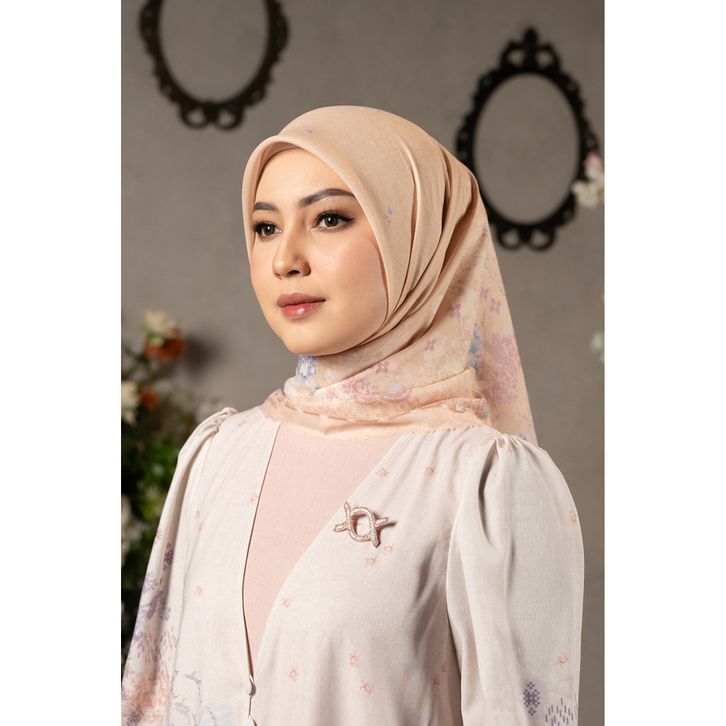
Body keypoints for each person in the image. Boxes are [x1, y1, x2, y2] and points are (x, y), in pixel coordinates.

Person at [121, 105, 584, 726]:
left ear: (418, 240)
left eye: (329, 219)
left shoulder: (482, 481)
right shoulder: (217, 454)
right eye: (265, 228)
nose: (286, 259)